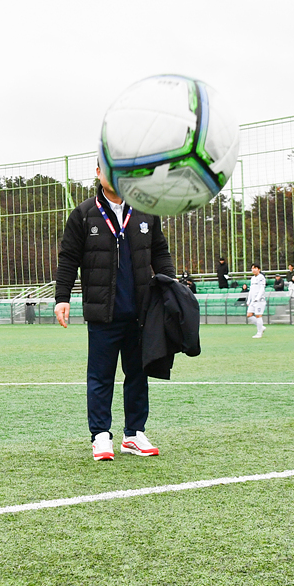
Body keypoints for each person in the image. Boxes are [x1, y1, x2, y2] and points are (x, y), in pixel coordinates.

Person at [55, 162, 175, 462]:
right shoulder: (83, 214)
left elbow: (159, 251)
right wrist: (62, 297)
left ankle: (133, 434)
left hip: (140, 312)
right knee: (100, 377)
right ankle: (100, 436)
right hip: (102, 313)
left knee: (138, 374)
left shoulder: (145, 211)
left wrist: (170, 284)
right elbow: (68, 258)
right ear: (98, 173)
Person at [246, 263, 267, 338]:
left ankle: (259, 333)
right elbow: (251, 290)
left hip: (259, 300)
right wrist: (249, 300)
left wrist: (258, 298)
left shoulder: (261, 277)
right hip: (253, 301)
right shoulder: (252, 278)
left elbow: (262, 289)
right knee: (249, 315)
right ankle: (261, 327)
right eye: (252, 268)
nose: (253, 270)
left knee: (258, 315)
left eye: (255, 268)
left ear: (259, 269)